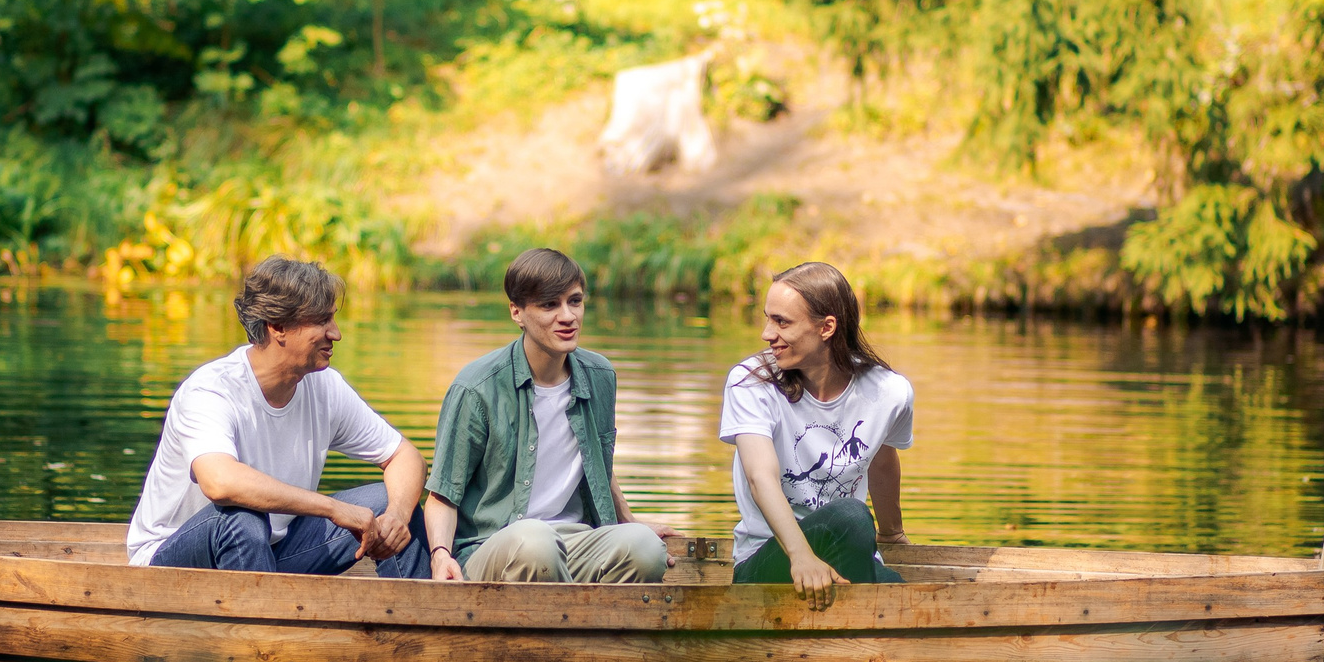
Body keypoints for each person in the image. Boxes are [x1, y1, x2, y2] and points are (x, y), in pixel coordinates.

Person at [127, 255, 432, 577]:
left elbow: (405, 456)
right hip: (173, 559)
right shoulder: (211, 390)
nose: (336, 334)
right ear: (278, 327)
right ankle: (267, 627)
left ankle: (421, 620)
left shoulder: (325, 386)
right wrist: (333, 508)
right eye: (322, 322)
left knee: (393, 498)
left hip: (274, 551)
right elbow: (220, 482)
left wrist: (397, 514)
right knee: (240, 519)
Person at [422, 247, 668, 583]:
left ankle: (580, 626)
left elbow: (599, 465)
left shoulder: (601, 376)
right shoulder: (476, 388)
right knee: (537, 543)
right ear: (517, 312)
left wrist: (629, 522)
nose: (567, 316)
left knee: (646, 549)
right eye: (549, 305)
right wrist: (440, 556)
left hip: (574, 539)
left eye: (575, 301)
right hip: (496, 545)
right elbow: (442, 495)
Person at [719, 261, 910, 593]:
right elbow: (759, 477)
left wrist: (892, 534)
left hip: (849, 551)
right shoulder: (750, 382)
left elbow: (882, 460)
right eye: (767, 318)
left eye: (782, 322)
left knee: (899, 589)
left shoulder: (889, 392)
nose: (767, 334)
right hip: (770, 561)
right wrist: (801, 557)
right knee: (851, 516)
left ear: (827, 328)